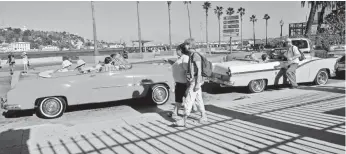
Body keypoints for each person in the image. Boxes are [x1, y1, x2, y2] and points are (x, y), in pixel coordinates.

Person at [175, 38, 208, 127]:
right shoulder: (192, 54)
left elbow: (199, 70)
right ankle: (204, 116)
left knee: (189, 100)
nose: (184, 46)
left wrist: (197, 83)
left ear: (189, 45)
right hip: (195, 80)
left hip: (196, 81)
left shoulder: (195, 55)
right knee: (198, 99)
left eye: (186, 44)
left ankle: (184, 120)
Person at [169, 44, 189, 118]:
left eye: (176, 50)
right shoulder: (180, 58)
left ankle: (177, 114)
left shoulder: (185, 58)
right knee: (179, 99)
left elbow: (187, 70)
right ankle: (175, 112)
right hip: (179, 82)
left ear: (180, 50)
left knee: (183, 99)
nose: (176, 51)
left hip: (183, 82)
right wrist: (169, 61)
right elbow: (177, 65)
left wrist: (188, 83)